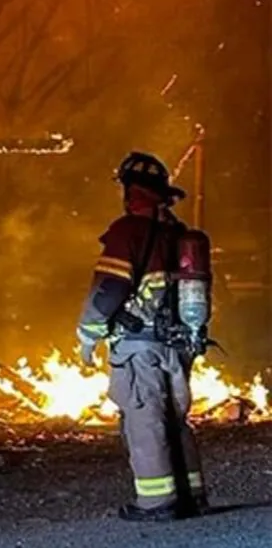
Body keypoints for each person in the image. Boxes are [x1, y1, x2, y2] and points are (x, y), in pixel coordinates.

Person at [76, 152, 207, 521]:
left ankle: (156, 502)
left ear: (131, 191)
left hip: (140, 348)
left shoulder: (127, 231)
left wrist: (87, 336)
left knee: (145, 418)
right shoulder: (178, 236)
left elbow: (108, 290)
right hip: (177, 346)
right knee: (175, 420)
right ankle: (191, 495)